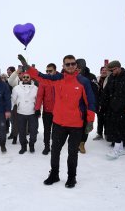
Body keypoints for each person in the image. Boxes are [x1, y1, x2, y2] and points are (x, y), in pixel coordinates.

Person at [19, 54, 96, 188]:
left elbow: (90, 102)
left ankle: (72, 177)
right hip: (59, 123)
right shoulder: (57, 78)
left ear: (76, 65)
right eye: (68, 64)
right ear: (63, 66)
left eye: (73, 63)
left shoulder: (83, 81)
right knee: (55, 150)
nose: (71, 66)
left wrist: (90, 121)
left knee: (72, 153)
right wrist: (27, 67)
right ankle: (54, 174)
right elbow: (41, 77)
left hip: (76, 124)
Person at [101, 61, 125, 160]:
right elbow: (106, 92)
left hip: (124, 108)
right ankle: (120, 148)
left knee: (119, 129)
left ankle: (116, 149)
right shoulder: (111, 78)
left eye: (114, 70)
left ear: (119, 67)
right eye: (111, 70)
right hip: (112, 108)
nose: (112, 72)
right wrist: (101, 103)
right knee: (114, 128)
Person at [76, 58, 99, 153]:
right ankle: (76, 141)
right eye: (77, 66)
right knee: (76, 126)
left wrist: (95, 105)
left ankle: (82, 143)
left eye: (80, 66)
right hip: (75, 106)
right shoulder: (71, 75)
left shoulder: (91, 77)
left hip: (86, 106)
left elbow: (95, 92)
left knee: (86, 126)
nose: (78, 68)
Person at [12, 72, 38, 154]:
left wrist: (37, 109)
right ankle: (23, 147)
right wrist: (18, 105)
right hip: (21, 113)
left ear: (30, 78)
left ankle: (31, 145)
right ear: (21, 78)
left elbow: (38, 100)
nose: (26, 78)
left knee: (33, 131)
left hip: (32, 113)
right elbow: (13, 99)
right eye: (24, 77)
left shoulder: (36, 88)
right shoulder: (16, 88)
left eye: (27, 77)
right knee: (22, 131)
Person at [34, 63, 57, 155]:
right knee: (47, 130)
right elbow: (39, 96)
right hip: (47, 111)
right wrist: (37, 108)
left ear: (55, 70)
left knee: (56, 131)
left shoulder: (60, 79)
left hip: (58, 111)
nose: (48, 73)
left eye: (50, 71)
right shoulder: (44, 81)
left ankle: (54, 147)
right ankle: (46, 146)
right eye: (46, 71)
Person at [94, 66, 108, 140]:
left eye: (105, 70)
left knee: (106, 119)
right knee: (99, 118)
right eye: (102, 70)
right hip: (98, 102)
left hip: (107, 102)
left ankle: (106, 133)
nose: (104, 71)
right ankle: (99, 133)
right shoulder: (97, 79)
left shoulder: (109, 79)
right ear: (100, 71)